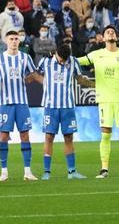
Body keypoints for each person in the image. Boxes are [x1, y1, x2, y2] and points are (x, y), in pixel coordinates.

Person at [78, 25, 119, 178]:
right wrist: (62, 57)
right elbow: (78, 61)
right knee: (105, 135)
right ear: (103, 38)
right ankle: (104, 169)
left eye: (113, 31)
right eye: (107, 32)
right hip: (104, 100)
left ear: (116, 37)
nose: (110, 33)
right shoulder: (96, 55)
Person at [31, 43, 92, 180]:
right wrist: (45, 83)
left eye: (65, 60)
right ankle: (46, 172)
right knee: (49, 137)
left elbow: (79, 78)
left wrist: (89, 82)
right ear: (56, 53)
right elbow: (35, 74)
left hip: (67, 106)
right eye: (60, 59)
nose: (63, 62)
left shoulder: (74, 62)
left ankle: (72, 172)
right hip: (50, 106)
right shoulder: (46, 61)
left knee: (69, 137)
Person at [0, 30, 39, 181]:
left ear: (19, 41)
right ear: (6, 41)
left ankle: (28, 172)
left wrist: (29, 80)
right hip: (5, 103)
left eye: (16, 39)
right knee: (4, 136)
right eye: (11, 39)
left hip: (22, 103)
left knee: (25, 135)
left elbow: (33, 74)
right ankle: (4, 172)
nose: (14, 41)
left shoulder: (25, 57)